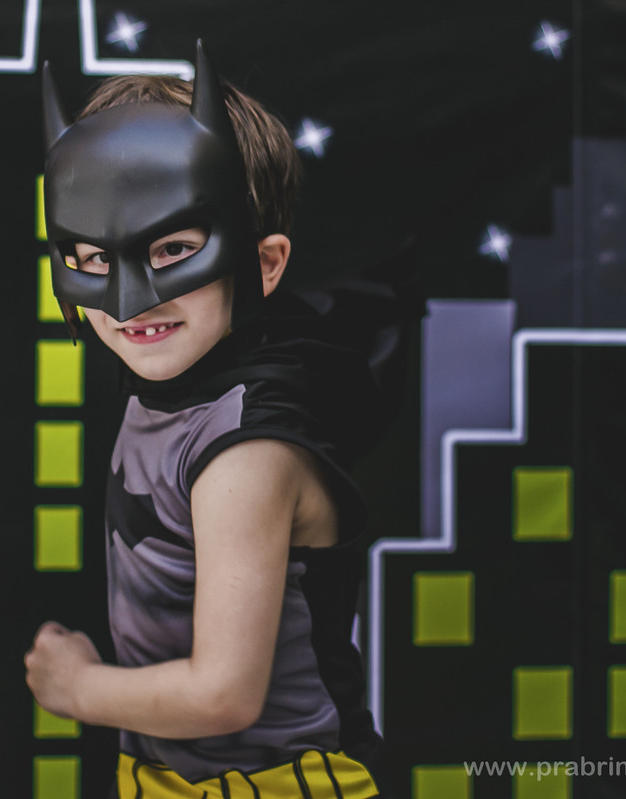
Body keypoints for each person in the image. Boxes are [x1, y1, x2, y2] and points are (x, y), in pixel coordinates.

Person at [24, 41, 391, 798]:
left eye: (173, 249)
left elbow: (224, 694)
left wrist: (77, 686)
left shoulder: (242, 453)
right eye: (92, 258)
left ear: (264, 262)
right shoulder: (167, 392)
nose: (131, 301)